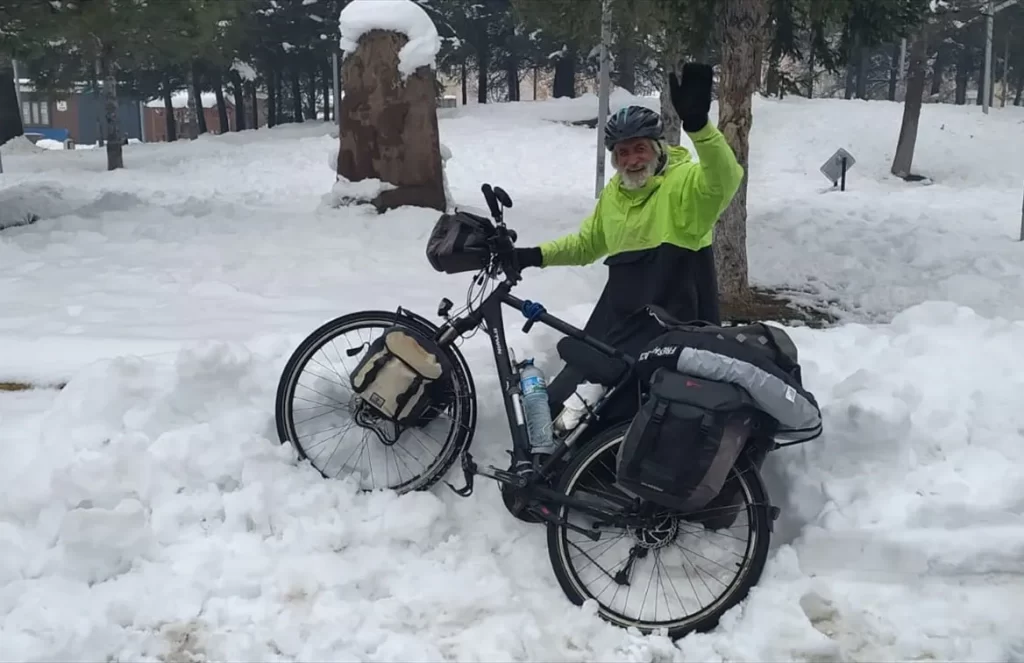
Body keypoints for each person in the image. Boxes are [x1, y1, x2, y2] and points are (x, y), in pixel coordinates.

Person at [511, 63, 745, 427]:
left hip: (671, 318)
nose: (632, 160)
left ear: (657, 149)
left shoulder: (684, 185)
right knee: (566, 401)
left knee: (624, 412)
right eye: (622, 153)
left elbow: (726, 177)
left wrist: (699, 127)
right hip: (618, 316)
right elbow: (587, 244)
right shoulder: (614, 195)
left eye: (639, 149)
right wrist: (533, 256)